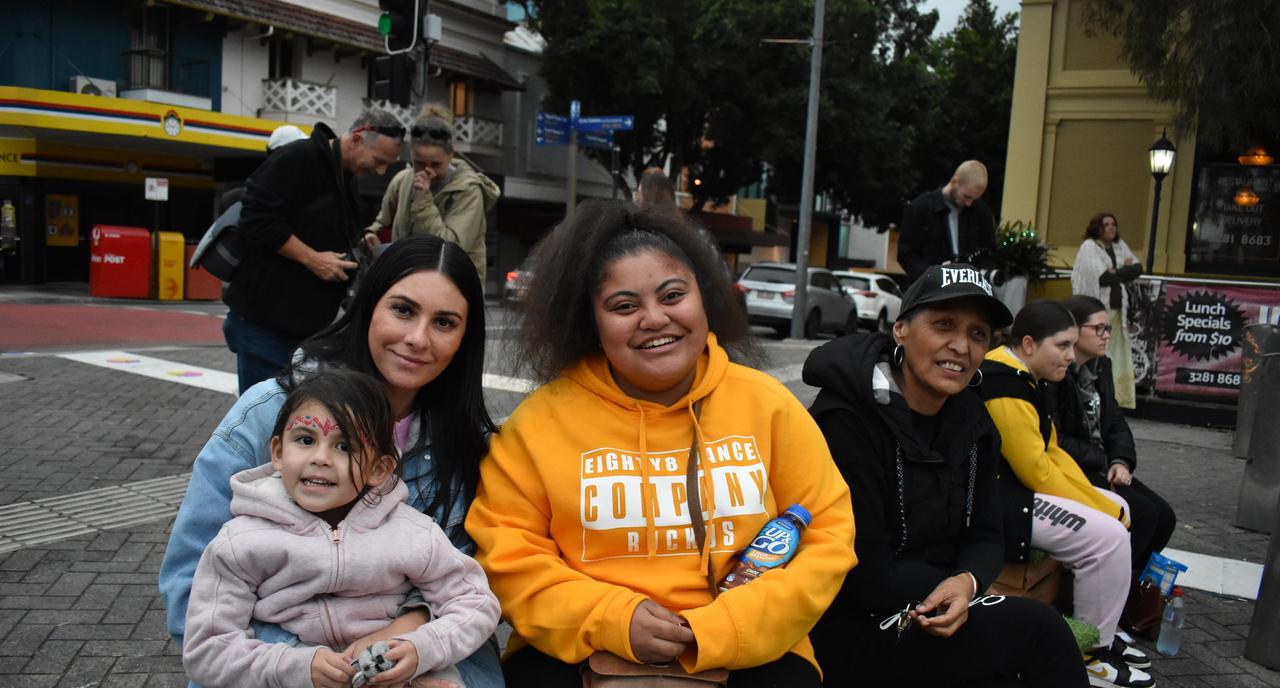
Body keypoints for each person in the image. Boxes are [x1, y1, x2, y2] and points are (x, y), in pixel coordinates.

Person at [465, 200, 855, 687]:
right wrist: (613, 618)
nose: (654, 319)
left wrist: (722, 626)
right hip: (583, 650)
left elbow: (828, 536)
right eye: (624, 306)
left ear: (703, 298)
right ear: (592, 323)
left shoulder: (769, 406)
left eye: (673, 295)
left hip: (750, 647)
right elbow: (507, 556)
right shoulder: (537, 423)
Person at [160, 234, 505, 688]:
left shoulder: (467, 442)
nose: (417, 338)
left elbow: (467, 584)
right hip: (270, 659)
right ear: (367, 308)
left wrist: (403, 636)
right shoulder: (267, 412)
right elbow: (189, 587)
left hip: (411, 655)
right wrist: (301, 664)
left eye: (444, 322)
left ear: (465, 338)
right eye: (402, 310)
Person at [804, 264, 1087, 687]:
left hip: (933, 605)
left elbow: (988, 535)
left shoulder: (972, 419)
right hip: (849, 626)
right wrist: (952, 588)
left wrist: (966, 582)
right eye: (943, 325)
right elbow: (865, 574)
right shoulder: (845, 420)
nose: (960, 345)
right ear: (900, 329)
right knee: (1041, 629)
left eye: (977, 334)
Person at [183, 370, 500, 688]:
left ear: (379, 468)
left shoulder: (414, 533)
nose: (320, 458)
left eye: (345, 447)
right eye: (305, 440)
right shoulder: (240, 543)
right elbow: (207, 649)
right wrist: (292, 667)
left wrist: (423, 649)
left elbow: (477, 603)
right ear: (278, 452)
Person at [980, 300, 1154, 688]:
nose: (1071, 357)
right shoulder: (1003, 384)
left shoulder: (1024, 377)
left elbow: (1052, 452)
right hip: (998, 502)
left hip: (1017, 491)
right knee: (1107, 537)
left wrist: (1100, 502)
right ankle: (1090, 657)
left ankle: (1101, 640)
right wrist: (1099, 508)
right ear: (1028, 343)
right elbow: (1036, 472)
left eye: (1073, 346)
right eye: (1062, 346)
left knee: (1120, 507)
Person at [223, 108, 406, 394]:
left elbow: (321, 228)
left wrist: (360, 240)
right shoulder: (298, 158)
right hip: (264, 326)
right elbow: (256, 219)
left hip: (303, 332)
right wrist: (313, 260)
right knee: (265, 421)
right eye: (379, 161)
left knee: (291, 422)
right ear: (356, 140)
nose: (381, 171)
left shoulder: (345, 177)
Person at [1048, 295, 1176, 575]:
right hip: (1073, 465)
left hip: (1101, 462)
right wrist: (1104, 460)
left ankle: (1127, 594)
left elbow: (1115, 421)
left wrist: (1121, 460)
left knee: (1164, 516)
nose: (1106, 336)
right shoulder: (1054, 372)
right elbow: (1055, 439)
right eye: (1099, 329)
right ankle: (1098, 591)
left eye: (1108, 329)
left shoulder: (1101, 366)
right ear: (1073, 330)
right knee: (1141, 514)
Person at [363, 105, 499, 283]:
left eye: (435, 164)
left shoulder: (469, 190)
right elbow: (383, 222)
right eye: (419, 163)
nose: (427, 171)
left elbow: (451, 248)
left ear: (451, 155)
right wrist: (371, 233)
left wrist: (423, 200)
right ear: (411, 155)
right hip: (403, 279)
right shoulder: (403, 180)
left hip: (451, 287)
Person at [1071, 213, 1142, 409]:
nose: (1111, 228)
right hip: (1100, 311)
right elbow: (1101, 278)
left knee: (1119, 354)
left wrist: (1115, 272)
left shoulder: (1120, 246)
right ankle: (1099, 393)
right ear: (1097, 227)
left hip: (1119, 311)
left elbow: (1137, 268)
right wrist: (1121, 272)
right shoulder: (1090, 247)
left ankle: (1119, 397)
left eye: (1113, 224)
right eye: (1106, 224)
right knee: (1101, 351)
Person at [897, 160, 997, 282]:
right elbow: (906, 255)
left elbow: (989, 252)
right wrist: (935, 274)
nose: (969, 203)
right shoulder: (920, 208)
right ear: (954, 182)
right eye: (966, 196)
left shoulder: (980, 211)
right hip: (929, 290)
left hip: (967, 289)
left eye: (975, 198)